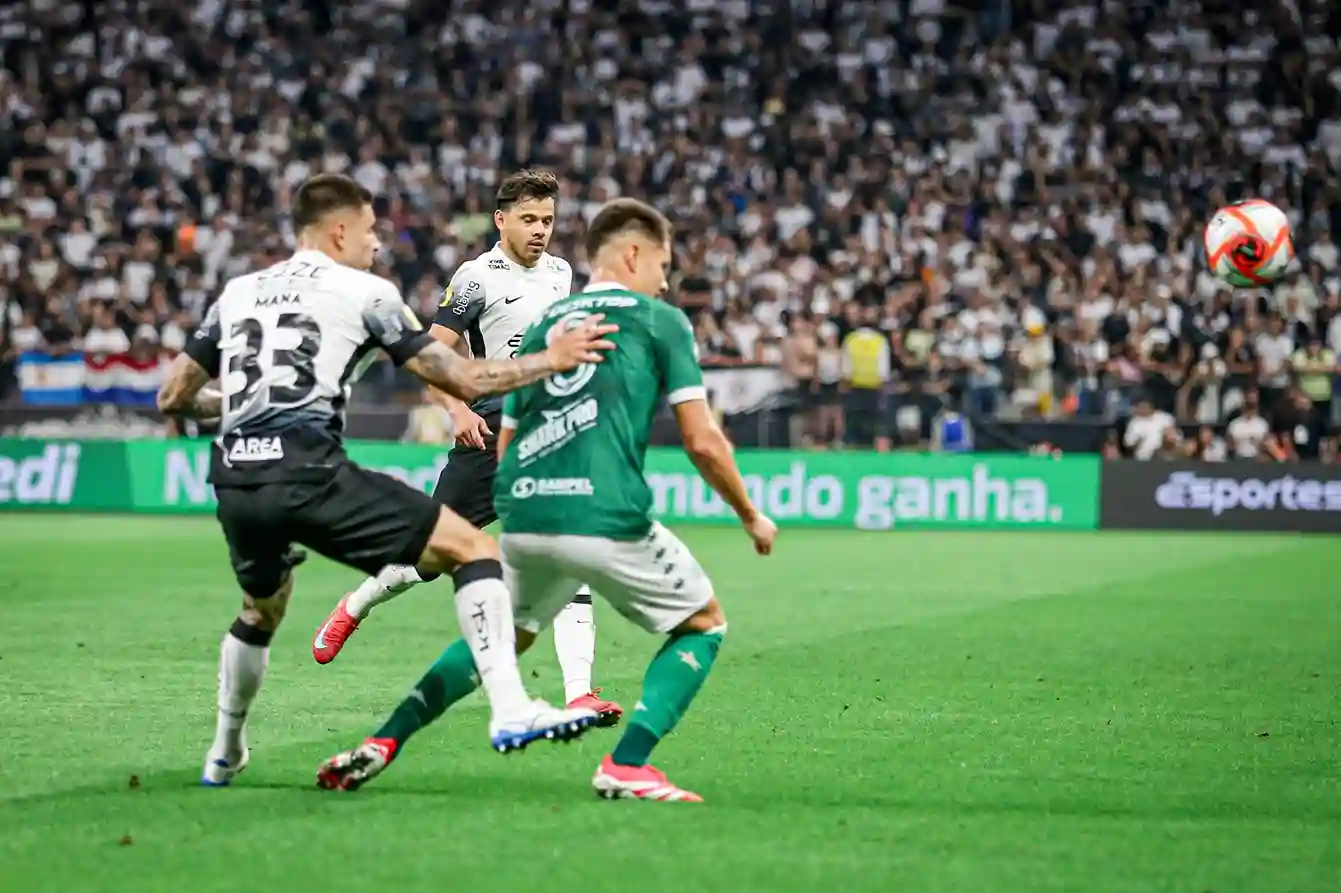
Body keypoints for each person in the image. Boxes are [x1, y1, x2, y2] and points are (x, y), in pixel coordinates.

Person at [154, 173, 619, 787]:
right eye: (371, 230)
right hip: (327, 465)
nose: (378, 243)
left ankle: (224, 753)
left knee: (259, 611)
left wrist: (242, 405)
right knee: (460, 551)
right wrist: (526, 375)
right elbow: (458, 370)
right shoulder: (375, 291)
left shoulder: (238, 292)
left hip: (238, 474)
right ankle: (499, 702)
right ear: (340, 229)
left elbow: (173, 397)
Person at [317, 198, 778, 802]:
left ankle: (385, 740)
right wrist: (750, 513)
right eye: (663, 264)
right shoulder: (661, 320)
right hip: (601, 511)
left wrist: (518, 499)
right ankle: (628, 764)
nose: (666, 281)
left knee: (505, 637)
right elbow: (701, 439)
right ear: (634, 254)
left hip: (528, 506)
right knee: (705, 624)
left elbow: (512, 425)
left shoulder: (552, 319)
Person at [311, 170, 623, 726]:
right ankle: (354, 605)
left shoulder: (559, 273)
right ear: (501, 220)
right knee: (427, 559)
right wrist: (455, 410)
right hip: (487, 433)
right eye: (529, 219)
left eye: (548, 220)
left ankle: (580, 693)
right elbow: (430, 353)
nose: (540, 231)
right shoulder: (477, 278)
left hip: (546, 435)